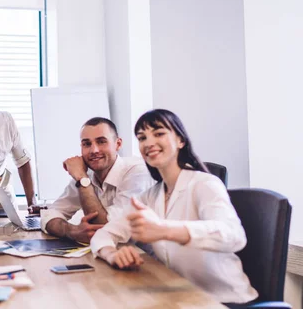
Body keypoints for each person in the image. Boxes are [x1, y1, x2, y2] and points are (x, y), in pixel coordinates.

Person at [90, 109, 258, 305]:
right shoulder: (150, 196)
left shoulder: (205, 184)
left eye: (159, 133)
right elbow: (103, 235)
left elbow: (234, 235)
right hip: (182, 297)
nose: (149, 142)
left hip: (224, 301)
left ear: (180, 140)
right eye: (142, 137)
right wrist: (113, 254)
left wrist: (165, 230)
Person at [41, 117, 152, 243]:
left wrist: (82, 180)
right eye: (87, 144)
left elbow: (107, 228)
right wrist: (70, 230)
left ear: (118, 144)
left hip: (146, 257)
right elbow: (50, 214)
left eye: (101, 142)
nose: (94, 150)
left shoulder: (137, 171)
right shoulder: (86, 173)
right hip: (110, 253)